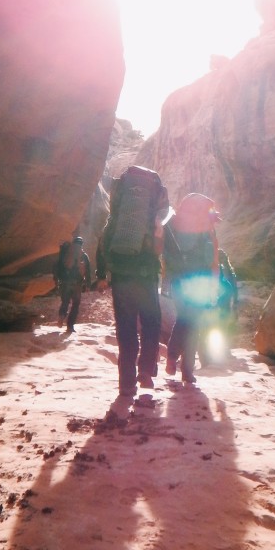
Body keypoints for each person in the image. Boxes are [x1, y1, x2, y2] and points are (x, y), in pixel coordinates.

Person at [95, 166, 169, 398]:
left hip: (121, 276)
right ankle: (145, 370)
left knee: (125, 329)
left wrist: (101, 275)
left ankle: (126, 383)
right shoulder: (154, 218)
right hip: (145, 276)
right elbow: (159, 249)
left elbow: (103, 242)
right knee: (151, 323)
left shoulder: (116, 219)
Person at [163, 193, 221, 384]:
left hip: (178, 280)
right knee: (194, 324)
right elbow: (214, 261)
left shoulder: (174, 225)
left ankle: (172, 358)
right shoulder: (208, 229)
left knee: (183, 319)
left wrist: (167, 280)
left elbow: (165, 256)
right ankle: (187, 370)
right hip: (199, 282)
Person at [54, 232, 91, 335]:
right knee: (75, 305)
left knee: (65, 302)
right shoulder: (84, 255)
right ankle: (70, 326)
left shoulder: (66, 253)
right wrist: (88, 284)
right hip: (77, 285)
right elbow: (88, 270)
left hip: (65, 283)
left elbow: (58, 266)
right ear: (82, 244)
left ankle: (61, 315)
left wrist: (56, 280)